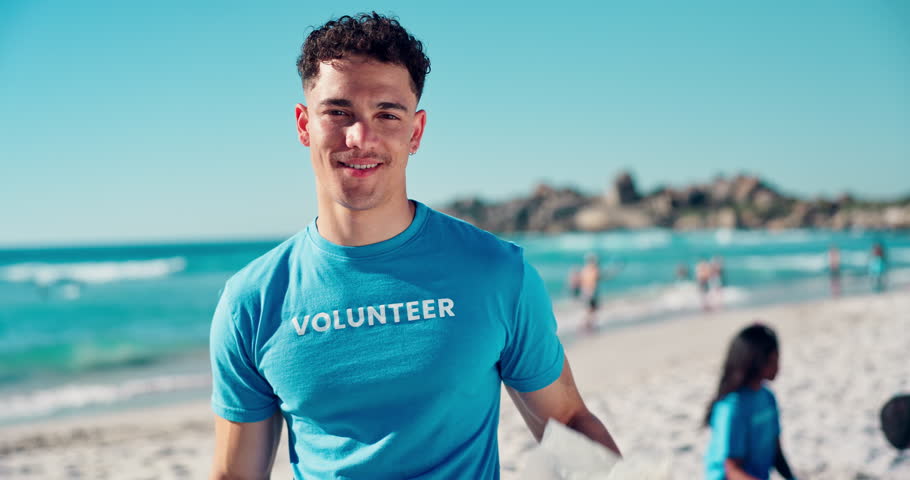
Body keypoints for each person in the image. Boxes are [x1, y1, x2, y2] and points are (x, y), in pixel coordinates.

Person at [208, 13, 620, 480]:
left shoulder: (495, 272)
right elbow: (236, 474)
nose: (360, 138)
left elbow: (565, 422)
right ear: (304, 125)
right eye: (338, 112)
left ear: (416, 131)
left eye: (387, 114)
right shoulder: (252, 301)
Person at [704, 324, 798, 480]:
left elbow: (776, 452)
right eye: (774, 358)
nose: (778, 364)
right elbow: (731, 470)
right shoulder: (732, 407)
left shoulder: (767, 397)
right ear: (757, 361)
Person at [578, 253, 621, 331]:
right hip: (591, 293)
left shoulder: (584, 270)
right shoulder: (594, 270)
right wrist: (615, 270)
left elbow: (580, 281)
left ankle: (588, 325)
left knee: (590, 310)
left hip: (585, 292)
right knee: (592, 310)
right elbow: (604, 276)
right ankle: (587, 325)